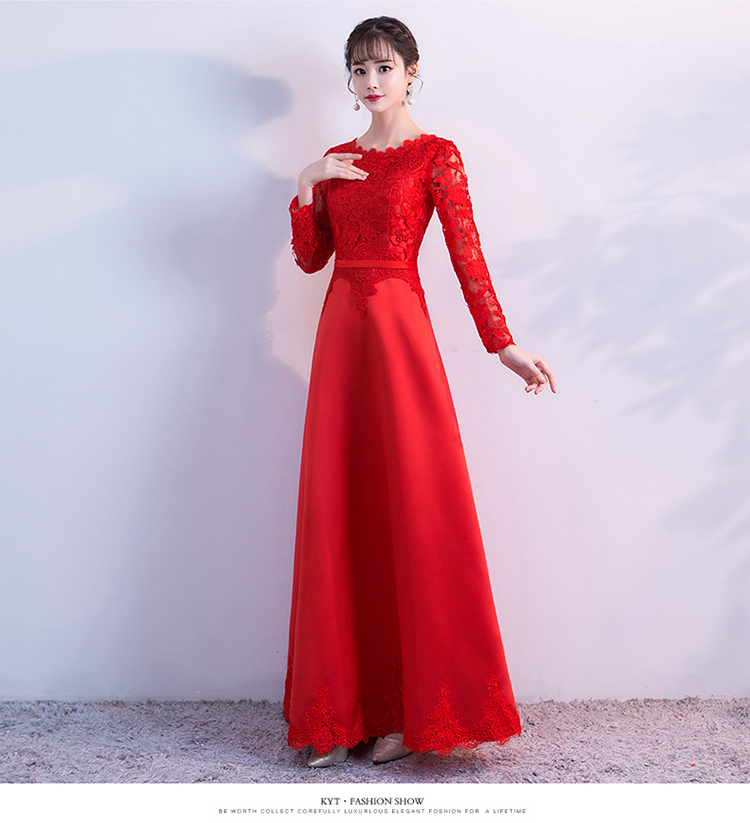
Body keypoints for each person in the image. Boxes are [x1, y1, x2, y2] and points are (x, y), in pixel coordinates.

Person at [283, 15, 556, 769]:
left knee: (413, 506)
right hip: (342, 338)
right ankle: (338, 713)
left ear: (411, 72)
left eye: (385, 67)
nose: (371, 81)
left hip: (401, 336)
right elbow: (311, 259)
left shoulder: (437, 156)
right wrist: (307, 184)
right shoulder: (337, 160)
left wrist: (502, 344)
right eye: (359, 69)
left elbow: (468, 254)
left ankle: (408, 714)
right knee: (342, 508)